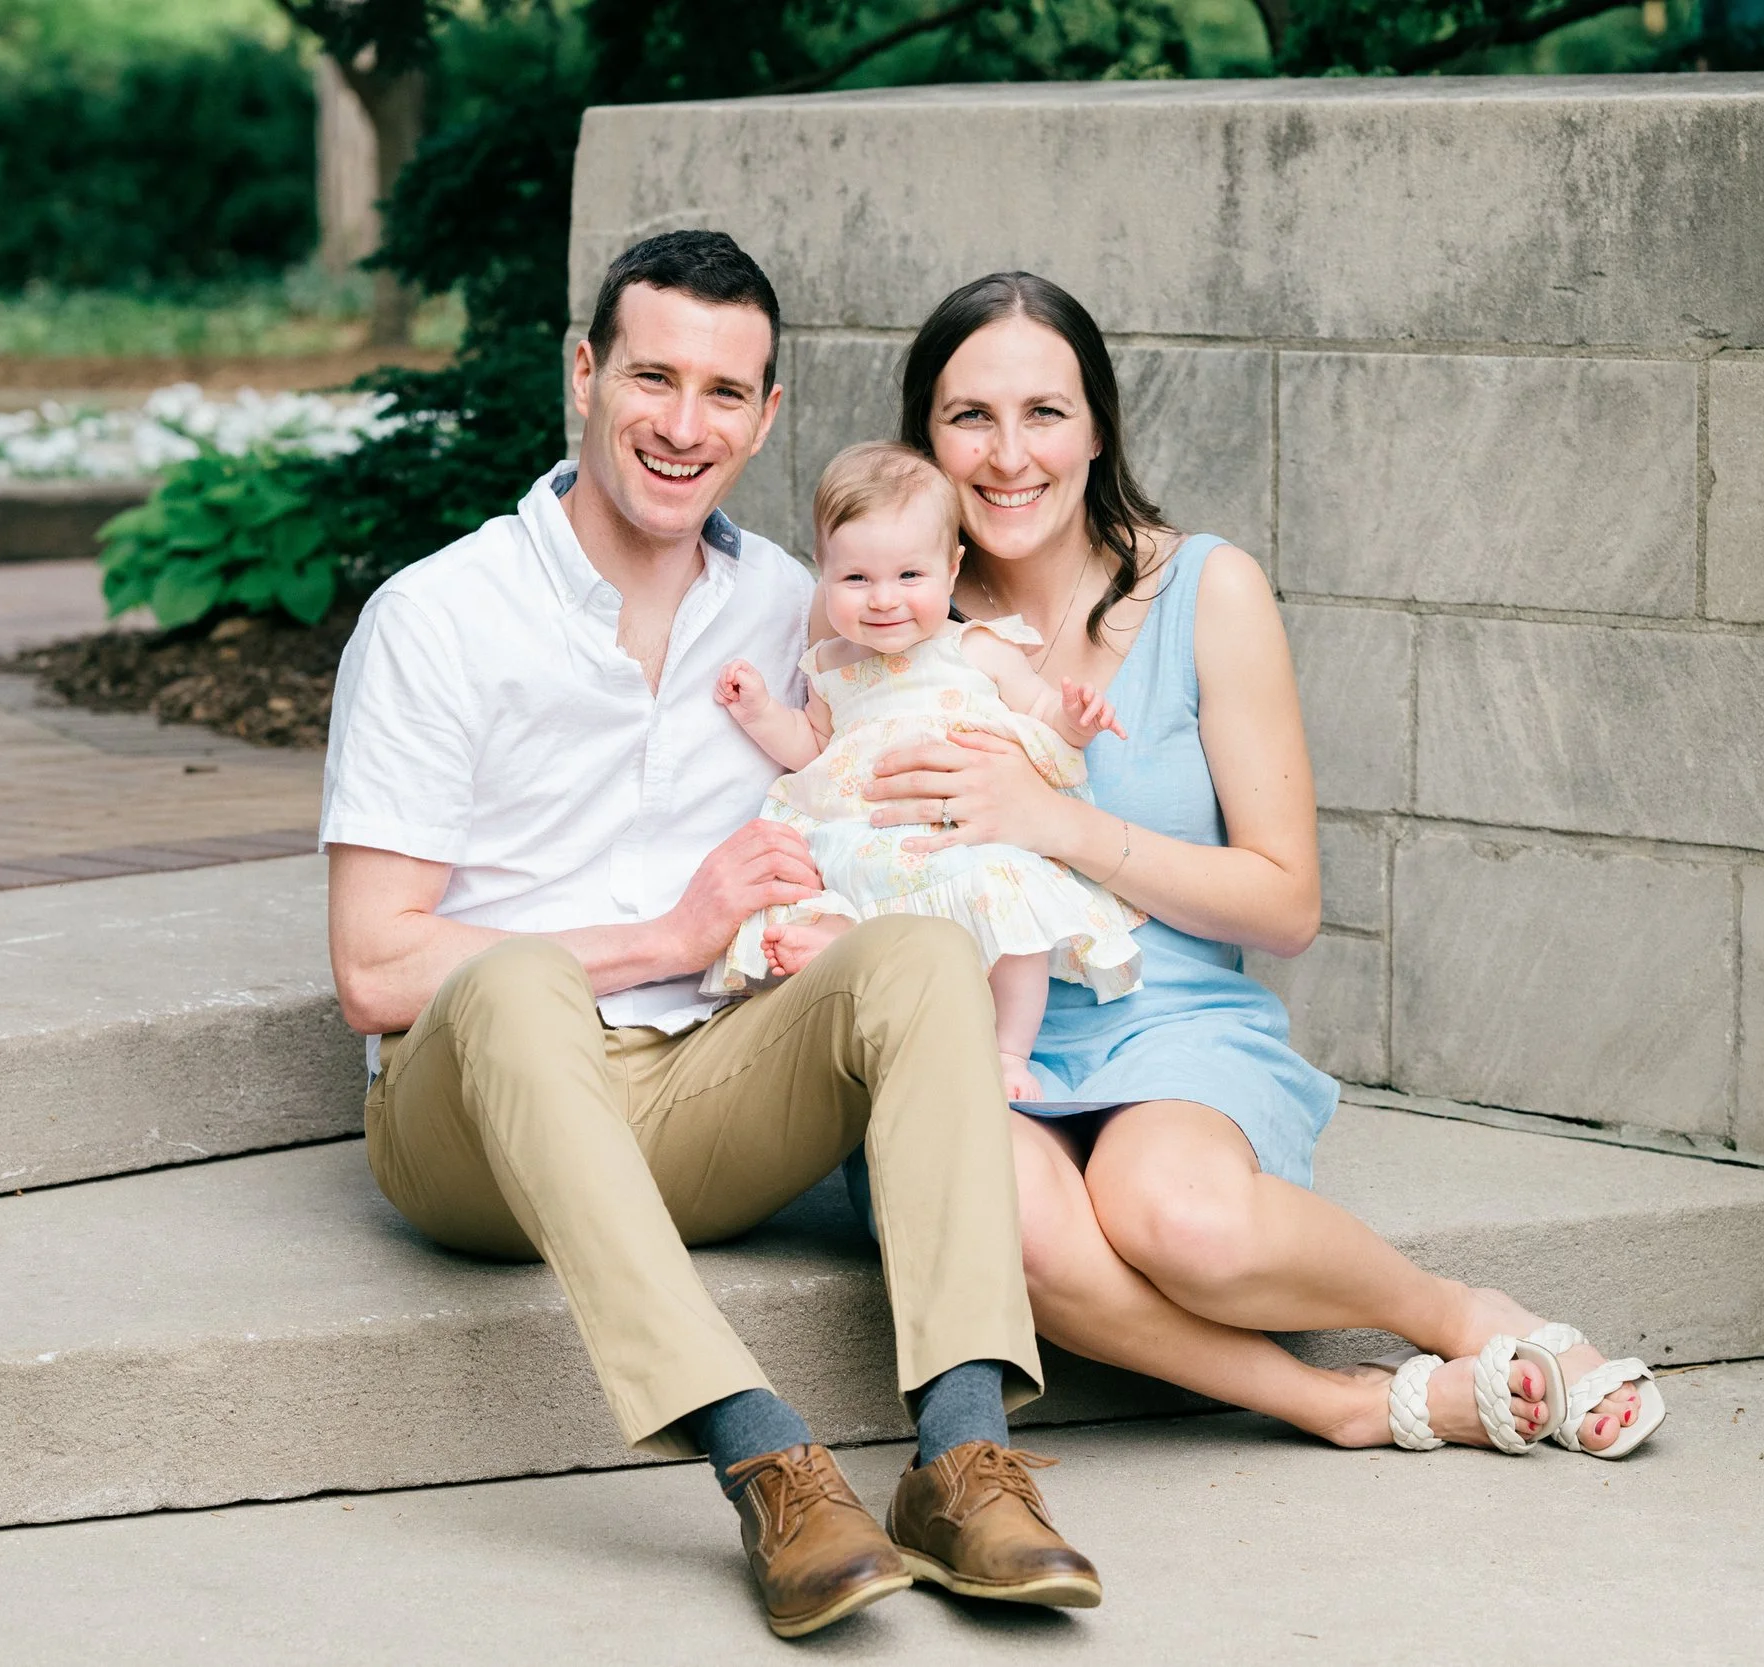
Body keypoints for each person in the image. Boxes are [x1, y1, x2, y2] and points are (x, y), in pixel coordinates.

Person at [319, 232, 1101, 1641]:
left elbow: (915, 753)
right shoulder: (437, 615)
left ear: (768, 414)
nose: (686, 425)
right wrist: (669, 928)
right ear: (583, 373)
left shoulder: (808, 607)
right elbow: (375, 968)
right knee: (514, 979)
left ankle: (963, 1459)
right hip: (474, 1121)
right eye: (654, 378)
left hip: (705, 1089)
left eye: (725, 392)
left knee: (922, 953)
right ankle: (764, 1455)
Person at [860, 270, 1665, 1462]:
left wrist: (1055, 822)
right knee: (1013, 1226)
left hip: (1166, 1022)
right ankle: (1342, 1402)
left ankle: (1459, 1314)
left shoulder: (1205, 589)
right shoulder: (881, 610)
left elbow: (1286, 902)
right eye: (968, 416)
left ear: (1097, 429)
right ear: (924, 437)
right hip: (967, 1033)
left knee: (1176, 1215)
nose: (1008, 454)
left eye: (1045, 413)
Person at [708, 439, 1144, 1101]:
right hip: (868, 834)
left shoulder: (976, 647)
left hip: (961, 841)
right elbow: (813, 748)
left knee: (1014, 915)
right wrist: (761, 710)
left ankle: (1008, 1052)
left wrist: (1076, 718)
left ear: (952, 568)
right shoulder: (829, 665)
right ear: (823, 572)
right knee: (822, 879)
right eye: (856, 579)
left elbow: (1040, 713)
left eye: (910, 576)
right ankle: (846, 942)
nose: (884, 599)